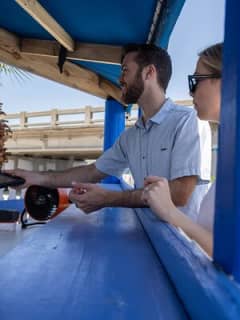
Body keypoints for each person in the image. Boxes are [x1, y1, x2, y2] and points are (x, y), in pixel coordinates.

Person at [8, 44, 206, 216]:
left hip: (181, 246)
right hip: (147, 238)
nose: (120, 79)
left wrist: (109, 198)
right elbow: (93, 171)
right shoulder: (131, 137)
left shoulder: (185, 120)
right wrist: (38, 178)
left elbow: (181, 193)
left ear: (149, 73)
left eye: (125, 70)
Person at [142, 43, 223, 257]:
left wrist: (169, 210)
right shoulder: (237, 152)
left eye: (196, 81)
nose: (190, 90)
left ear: (229, 80)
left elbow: (236, 257)